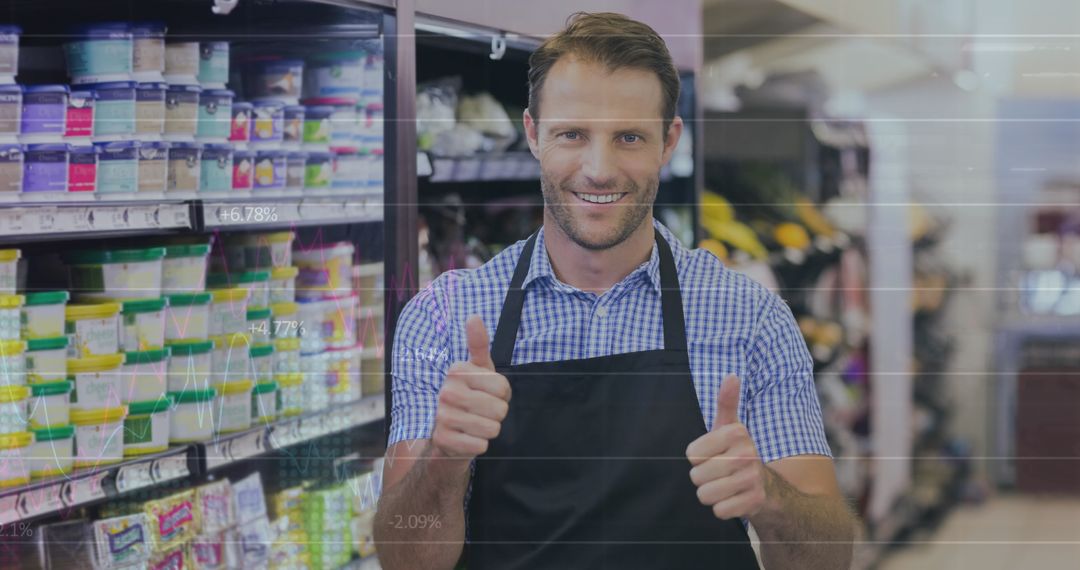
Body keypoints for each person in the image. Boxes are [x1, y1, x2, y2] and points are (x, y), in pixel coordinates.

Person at [374, 11, 858, 569]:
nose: (598, 169)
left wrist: (770, 496)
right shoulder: (441, 317)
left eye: (629, 136)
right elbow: (403, 557)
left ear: (669, 140)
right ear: (533, 135)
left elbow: (830, 557)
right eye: (572, 134)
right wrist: (444, 459)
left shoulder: (750, 318)